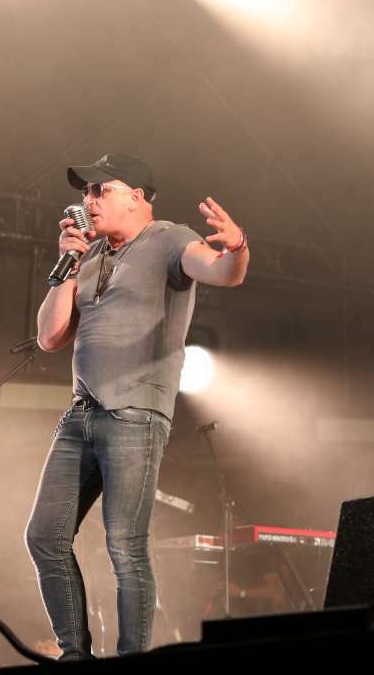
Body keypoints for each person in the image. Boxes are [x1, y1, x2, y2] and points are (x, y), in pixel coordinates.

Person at [25, 153, 248, 659]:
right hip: (80, 414)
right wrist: (67, 266)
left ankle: (132, 659)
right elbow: (49, 337)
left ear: (136, 196)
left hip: (135, 414)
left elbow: (222, 272)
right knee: (44, 537)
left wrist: (237, 247)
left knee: (125, 544)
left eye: (100, 190)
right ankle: (74, 654)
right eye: (86, 192)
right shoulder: (89, 257)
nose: (89, 200)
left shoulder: (169, 239)